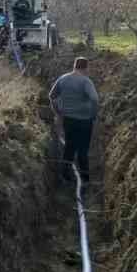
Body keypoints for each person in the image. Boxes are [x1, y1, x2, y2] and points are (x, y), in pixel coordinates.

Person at [49, 57, 99, 186]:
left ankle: (65, 177)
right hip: (84, 121)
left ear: (74, 66)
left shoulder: (63, 79)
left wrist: (57, 111)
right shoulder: (86, 81)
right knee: (83, 149)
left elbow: (51, 96)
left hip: (68, 120)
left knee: (69, 147)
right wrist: (93, 114)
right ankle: (85, 179)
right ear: (86, 67)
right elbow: (94, 99)